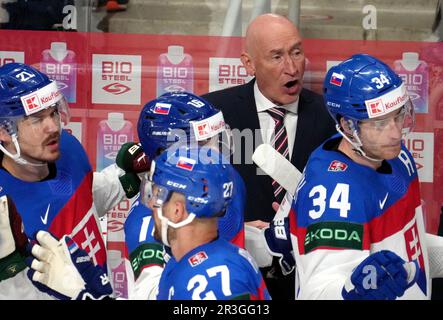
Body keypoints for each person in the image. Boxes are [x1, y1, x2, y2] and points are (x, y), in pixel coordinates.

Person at [283, 53, 443, 299]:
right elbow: (320, 290)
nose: (395, 132)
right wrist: (351, 293)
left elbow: (410, 244)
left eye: (399, 115)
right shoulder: (334, 193)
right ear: (348, 126)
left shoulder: (397, 157)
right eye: (380, 123)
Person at [202, 13, 336, 299]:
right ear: (249, 63)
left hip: (309, 277)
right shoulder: (214, 113)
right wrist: (236, 227)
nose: (291, 67)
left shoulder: (331, 118)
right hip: (237, 278)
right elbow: (187, 202)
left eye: (296, 52)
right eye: (276, 57)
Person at [0, 62, 125, 299]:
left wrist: (123, 178)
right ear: (4, 131)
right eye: (37, 119)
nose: (53, 126)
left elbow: (80, 199)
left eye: (53, 111)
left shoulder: (66, 149)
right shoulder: (4, 212)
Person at [122, 92, 245, 299]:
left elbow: (222, 238)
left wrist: (266, 242)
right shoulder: (146, 224)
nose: (217, 151)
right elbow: (150, 294)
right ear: (169, 153)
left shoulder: (222, 179)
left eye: (217, 137)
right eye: (205, 143)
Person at [144, 145, 270, 300]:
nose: (151, 204)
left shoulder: (214, 282)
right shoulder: (182, 263)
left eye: (158, 195)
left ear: (177, 211)